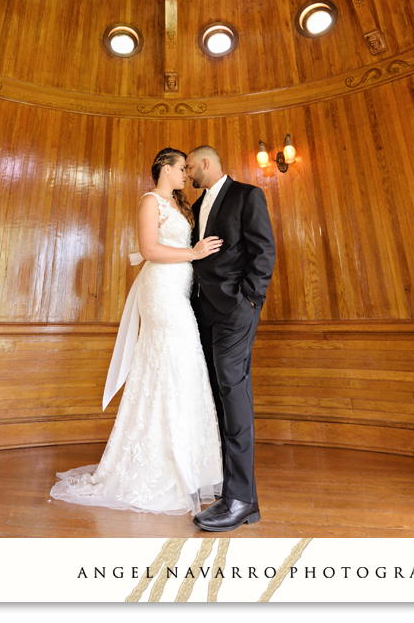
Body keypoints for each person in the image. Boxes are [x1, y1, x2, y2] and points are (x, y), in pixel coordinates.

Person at [49, 148, 225, 516]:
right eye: (181, 168)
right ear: (164, 168)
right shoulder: (150, 201)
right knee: (174, 362)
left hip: (178, 288)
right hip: (160, 290)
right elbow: (148, 248)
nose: (185, 174)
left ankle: (188, 467)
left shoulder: (178, 205)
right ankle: (161, 467)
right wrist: (193, 253)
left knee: (180, 366)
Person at [185, 144, 276, 531]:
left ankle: (239, 499)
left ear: (206, 164)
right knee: (219, 397)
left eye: (190, 166)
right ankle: (237, 496)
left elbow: (263, 250)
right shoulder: (196, 206)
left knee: (233, 395)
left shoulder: (246, 195)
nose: (187, 173)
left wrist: (249, 301)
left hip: (236, 311)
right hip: (203, 312)